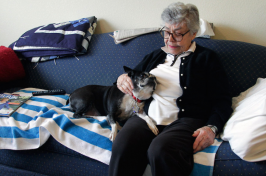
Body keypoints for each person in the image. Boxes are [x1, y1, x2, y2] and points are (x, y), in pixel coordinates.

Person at [109, 2, 232, 176]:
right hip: (148, 117)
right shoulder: (155, 55)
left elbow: (223, 99)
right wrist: (121, 79)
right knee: (123, 144)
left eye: (178, 34)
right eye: (166, 32)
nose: (170, 39)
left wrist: (211, 128)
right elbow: (129, 76)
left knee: (160, 150)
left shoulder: (207, 59)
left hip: (185, 121)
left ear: (194, 33)